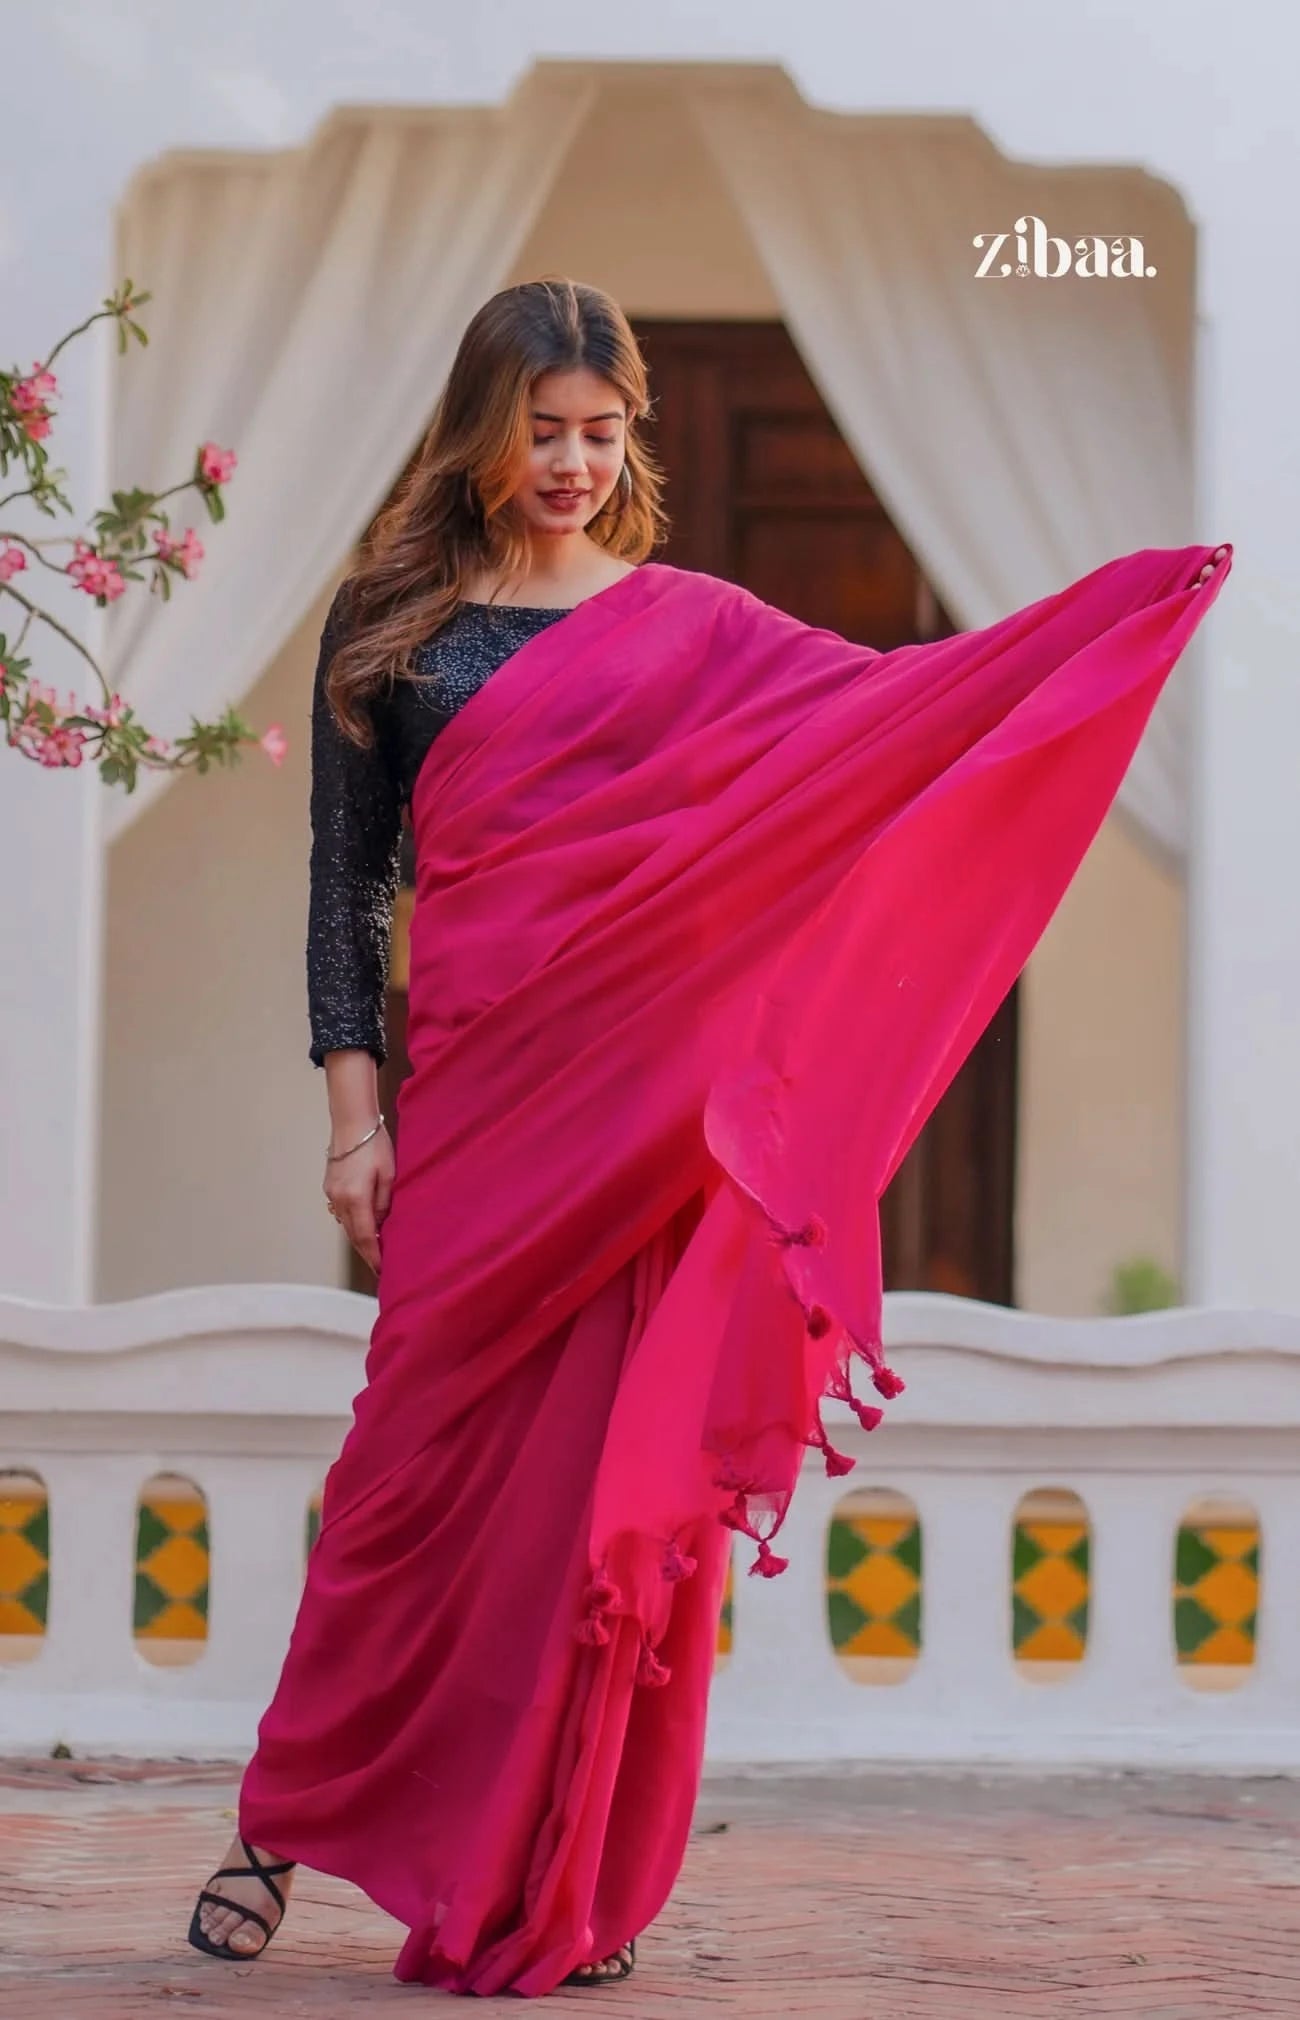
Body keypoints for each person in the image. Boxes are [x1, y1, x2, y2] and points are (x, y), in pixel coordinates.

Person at [186, 276, 1229, 1996]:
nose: (579, 463)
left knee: (586, 1495)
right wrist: (351, 1124)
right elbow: (345, 886)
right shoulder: (391, 618)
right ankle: (278, 1820)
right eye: (547, 433)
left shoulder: (697, 624)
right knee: (397, 1479)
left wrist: (1096, 626)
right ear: (481, 429)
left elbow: (895, 716)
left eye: (605, 434)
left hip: (629, 1125)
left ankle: (558, 1869)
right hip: (472, 1110)